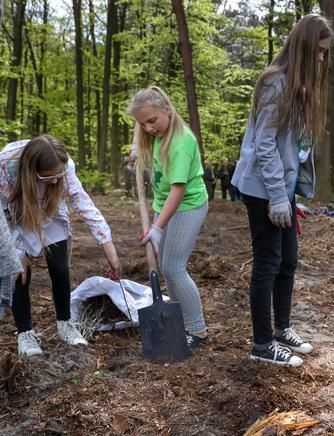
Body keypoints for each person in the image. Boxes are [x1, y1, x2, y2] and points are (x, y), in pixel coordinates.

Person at [231, 14, 333, 367]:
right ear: (305, 49)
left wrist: (293, 191)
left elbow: (298, 146)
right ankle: (261, 345)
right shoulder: (276, 83)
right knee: (268, 263)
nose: (322, 59)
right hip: (262, 189)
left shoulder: (301, 86)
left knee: (288, 261)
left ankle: (281, 329)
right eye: (319, 52)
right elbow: (265, 144)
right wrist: (276, 195)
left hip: (281, 189)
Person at [0, 136, 123, 356]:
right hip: (16, 215)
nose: (57, 181)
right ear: (32, 171)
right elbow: (4, 216)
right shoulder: (6, 169)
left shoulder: (64, 167)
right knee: (19, 274)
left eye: (60, 175)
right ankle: (25, 334)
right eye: (50, 177)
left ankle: (65, 323)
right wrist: (18, 251)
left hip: (50, 209)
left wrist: (109, 246)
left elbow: (84, 204)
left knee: (59, 268)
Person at [127, 86, 209, 349]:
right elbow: (152, 159)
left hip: (187, 205)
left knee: (174, 267)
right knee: (169, 268)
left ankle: (197, 330)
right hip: (163, 205)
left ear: (168, 110)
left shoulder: (181, 142)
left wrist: (158, 226)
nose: (149, 128)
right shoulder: (156, 136)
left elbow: (178, 189)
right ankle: (179, 324)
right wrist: (139, 153)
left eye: (152, 120)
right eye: (143, 124)